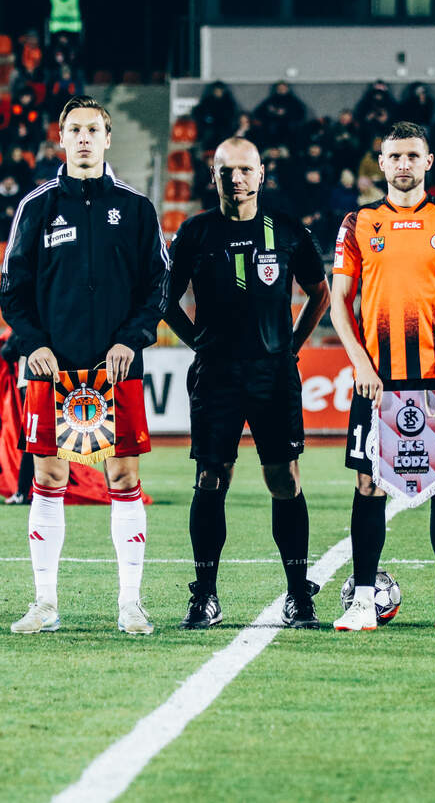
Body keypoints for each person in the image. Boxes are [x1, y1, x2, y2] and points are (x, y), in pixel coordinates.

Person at [0, 95, 169, 636]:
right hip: (51, 369)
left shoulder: (136, 208)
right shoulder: (37, 205)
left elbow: (158, 285)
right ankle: (44, 603)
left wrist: (132, 340)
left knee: (123, 477)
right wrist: (33, 345)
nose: (83, 139)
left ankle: (131, 604)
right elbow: (12, 288)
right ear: (61, 138)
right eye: (74, 130)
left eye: (93, 130)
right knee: (48, 477)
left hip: (116, 368)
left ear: (108, 138)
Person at [163, 138, 331, 630]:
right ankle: (205, 596)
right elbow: (164, 300)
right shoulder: (194, 232)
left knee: (284, 478)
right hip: (215, 375)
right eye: (225, 171)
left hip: (273, 375)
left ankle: (298, 594)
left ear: (261, 174)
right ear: (212, 176)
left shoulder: (288, 230)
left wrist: (291, 346)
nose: (235, 178)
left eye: (244, 170)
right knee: (211, 478)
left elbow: (319, 293)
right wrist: (198, 342)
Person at [329, 121, 435, 632]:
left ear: (428, 161)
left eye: (412, 155)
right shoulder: (358, 222)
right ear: (381, 163)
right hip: (377, 378)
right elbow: (338, 301)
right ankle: (362, 601)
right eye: (394, 156)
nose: (403, 164)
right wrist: (360, 363)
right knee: (368, 484)